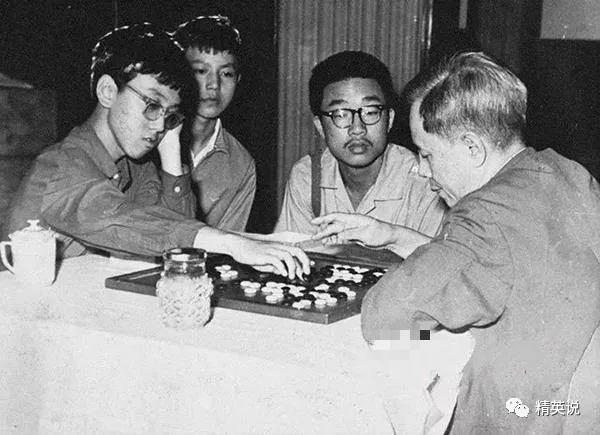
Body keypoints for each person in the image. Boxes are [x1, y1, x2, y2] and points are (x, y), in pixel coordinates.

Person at [313, 52, 600, 433]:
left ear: (472, 148)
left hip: (519, 417)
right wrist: (396, 237)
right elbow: (491, 262)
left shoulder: (484, 214)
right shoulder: (568, 173)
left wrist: (432, 331)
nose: (421, 169)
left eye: (426, 153)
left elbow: (385, 321)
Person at [6, 23, 308, 278]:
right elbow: (122, 219)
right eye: (152, 105)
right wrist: (232, 243)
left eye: (171, 114)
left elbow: (174, 239)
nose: (160, 125)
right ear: (108, 91)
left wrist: (172, 151)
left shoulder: (133, 166)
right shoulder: (60, 166)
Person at [274, 51, 446, 240]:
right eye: (340, 114)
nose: (357, 129)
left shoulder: (423, 181)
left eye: (371, 112)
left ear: (389, 120)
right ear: (320, 127)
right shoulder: (308, 177)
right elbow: (292, 253)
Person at [172, 15, 256, 231]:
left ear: (238, 80)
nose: (214, 84)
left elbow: (228, 244)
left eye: (226, 73)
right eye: (201, 71)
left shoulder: (241, 164)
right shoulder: (146, 140)